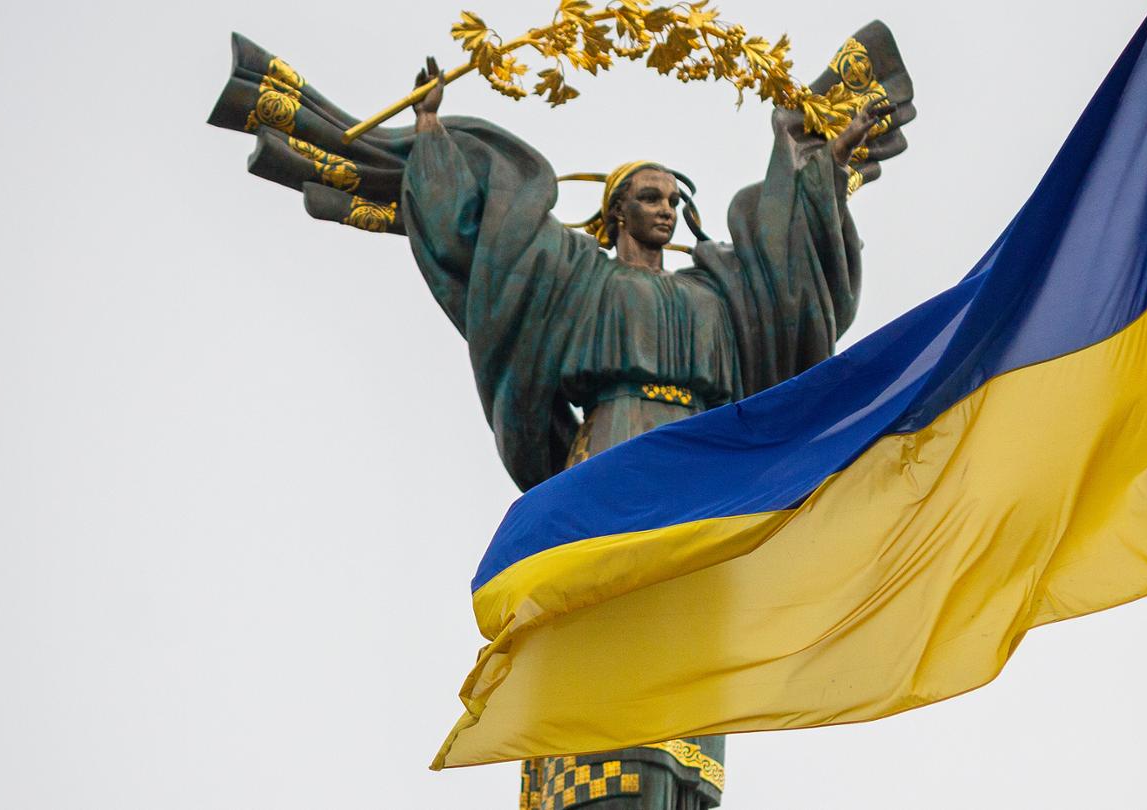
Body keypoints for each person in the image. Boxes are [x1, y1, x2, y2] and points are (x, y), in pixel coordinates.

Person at [207, 25, 913, 808]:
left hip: (702, 479)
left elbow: (794, 284)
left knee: (683, 655)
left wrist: (813, 165)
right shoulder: (577, 280)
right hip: (610, 461)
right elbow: (489, 245)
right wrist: (435, 136)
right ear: (614, 212)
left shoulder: (721, 295)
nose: (667, 211)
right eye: (649, 198)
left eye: (674, 199)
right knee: (609, 637)